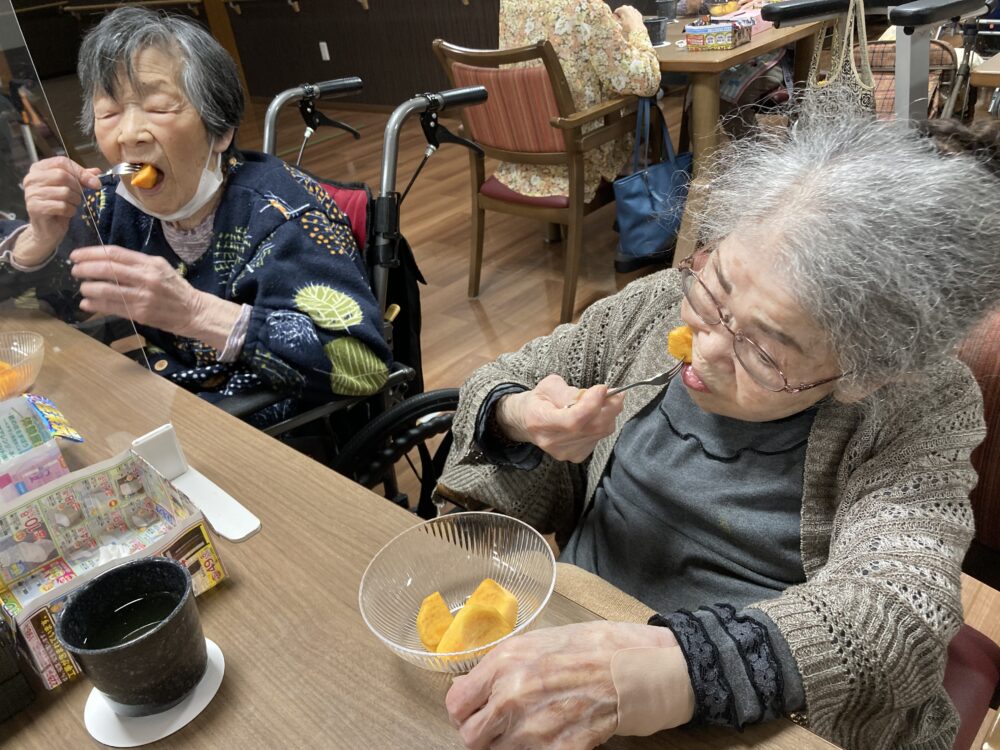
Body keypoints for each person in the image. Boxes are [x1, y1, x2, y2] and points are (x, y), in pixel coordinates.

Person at [435, 101, 1000, 750]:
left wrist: (671, 670)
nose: (702, 351)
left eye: (765, 350)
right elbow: (497, 383)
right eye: (713, 292)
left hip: (759, 717)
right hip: (564, 642)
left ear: (866, 370)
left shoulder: (917, 407)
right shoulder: (649, 311)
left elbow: (897, 609)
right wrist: (519, 415)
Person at [0, 8, 391, 427]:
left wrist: (195, 312)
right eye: (109, 114)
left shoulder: (284, 217)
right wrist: (37, 242)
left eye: (160, 107)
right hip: (171, 409)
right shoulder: (111, 204)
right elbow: (35, 312)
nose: (129, 134)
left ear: (220, 130)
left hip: (277, 436)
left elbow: (364, 370)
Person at [496, 0, 662, 203]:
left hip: (524, 142)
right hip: (579, 149)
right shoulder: (588, 8)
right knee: (649, 107)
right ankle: (643, 205)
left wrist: (607, 29)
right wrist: (637, 27)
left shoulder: (510, 4)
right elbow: (646, 81)